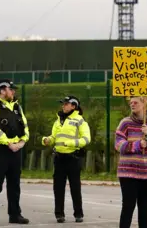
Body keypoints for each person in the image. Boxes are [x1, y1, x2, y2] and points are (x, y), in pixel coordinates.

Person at [0, 79, 30, 226]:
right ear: (2, 90)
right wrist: (8, 142)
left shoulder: (17, 106)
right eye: (11, 89)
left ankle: (15, 215)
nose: (13, 91)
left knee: (15, 184)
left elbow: (25, 127)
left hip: (15, 149)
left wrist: (21, 142)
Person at [114, 96, 147, 228]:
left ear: (145, 103)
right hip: (128, 172)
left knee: (144, 206)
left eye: (135, 102)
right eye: (130, 102)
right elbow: (118, 144)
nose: (132, 104)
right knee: (128, 205)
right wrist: (136, 145)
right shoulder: (125, 123)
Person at [42, 95, 91, 223]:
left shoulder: (80, 120)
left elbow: (86, 139)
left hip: (73, 158)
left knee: (75, 187)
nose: (63, 106)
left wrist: (70, 143)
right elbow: (54, 137)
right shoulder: (58, 121)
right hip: (59, 158)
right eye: (63, 104)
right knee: (58, 188)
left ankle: (78, 214)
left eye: (66, 104)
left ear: (74, 106)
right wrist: (47, 140)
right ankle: (59, 214)